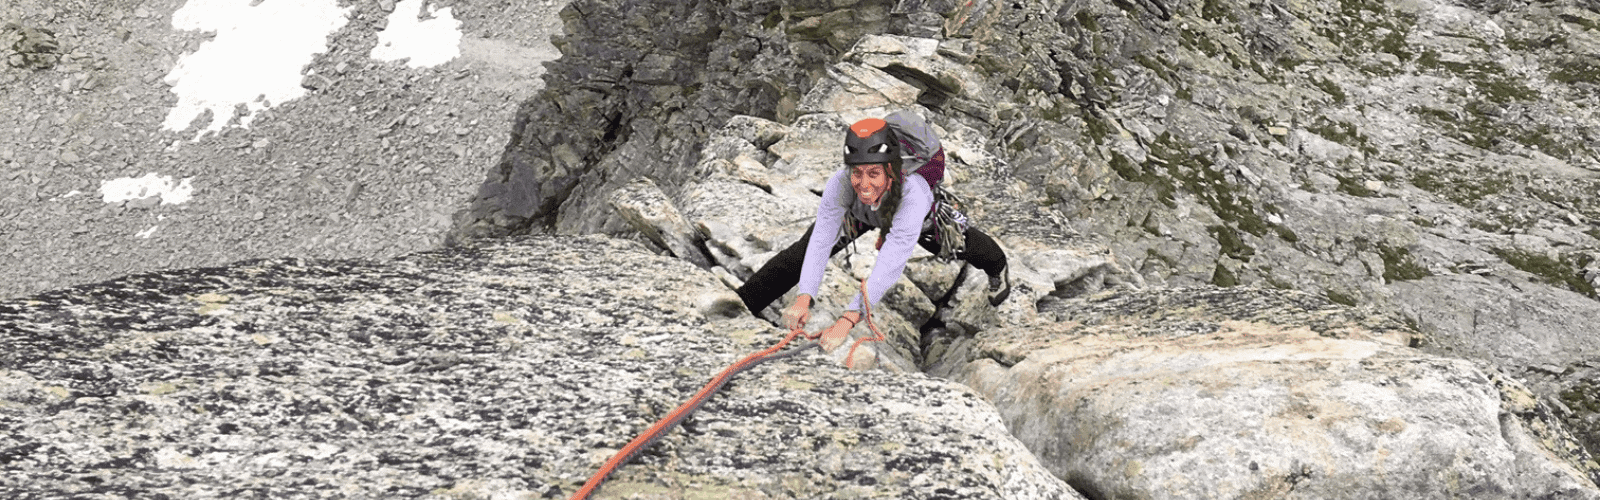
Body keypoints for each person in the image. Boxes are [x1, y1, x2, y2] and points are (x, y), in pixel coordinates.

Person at [735, 116, 1010, 350]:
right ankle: (743, 304)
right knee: (799, 254)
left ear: (890, 170)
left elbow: (888, 267)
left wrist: (846, 321)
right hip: (860, 213)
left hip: (905, 205)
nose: (864, 185)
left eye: (873, 174)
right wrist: (803, 298)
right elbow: (818, 243)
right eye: (857, 173)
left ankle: (997, 266)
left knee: (952, 243)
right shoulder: (841, 184)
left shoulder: (913, 194)